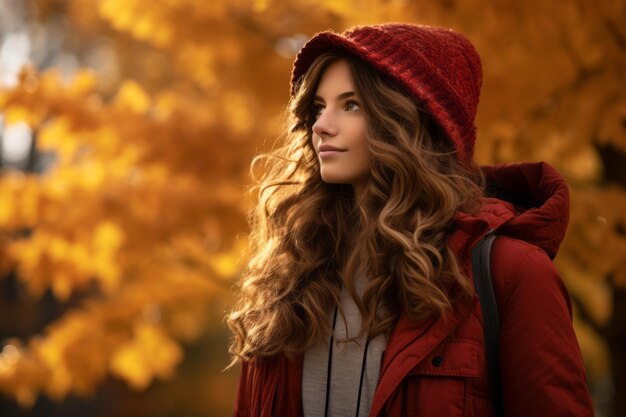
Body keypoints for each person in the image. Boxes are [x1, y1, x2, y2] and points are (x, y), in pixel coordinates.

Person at [227, 23, 595, 417]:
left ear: (412, 124)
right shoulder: (290, 279)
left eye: (351, 104)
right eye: (319, 107)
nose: (321, 125)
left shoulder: (511, 272)